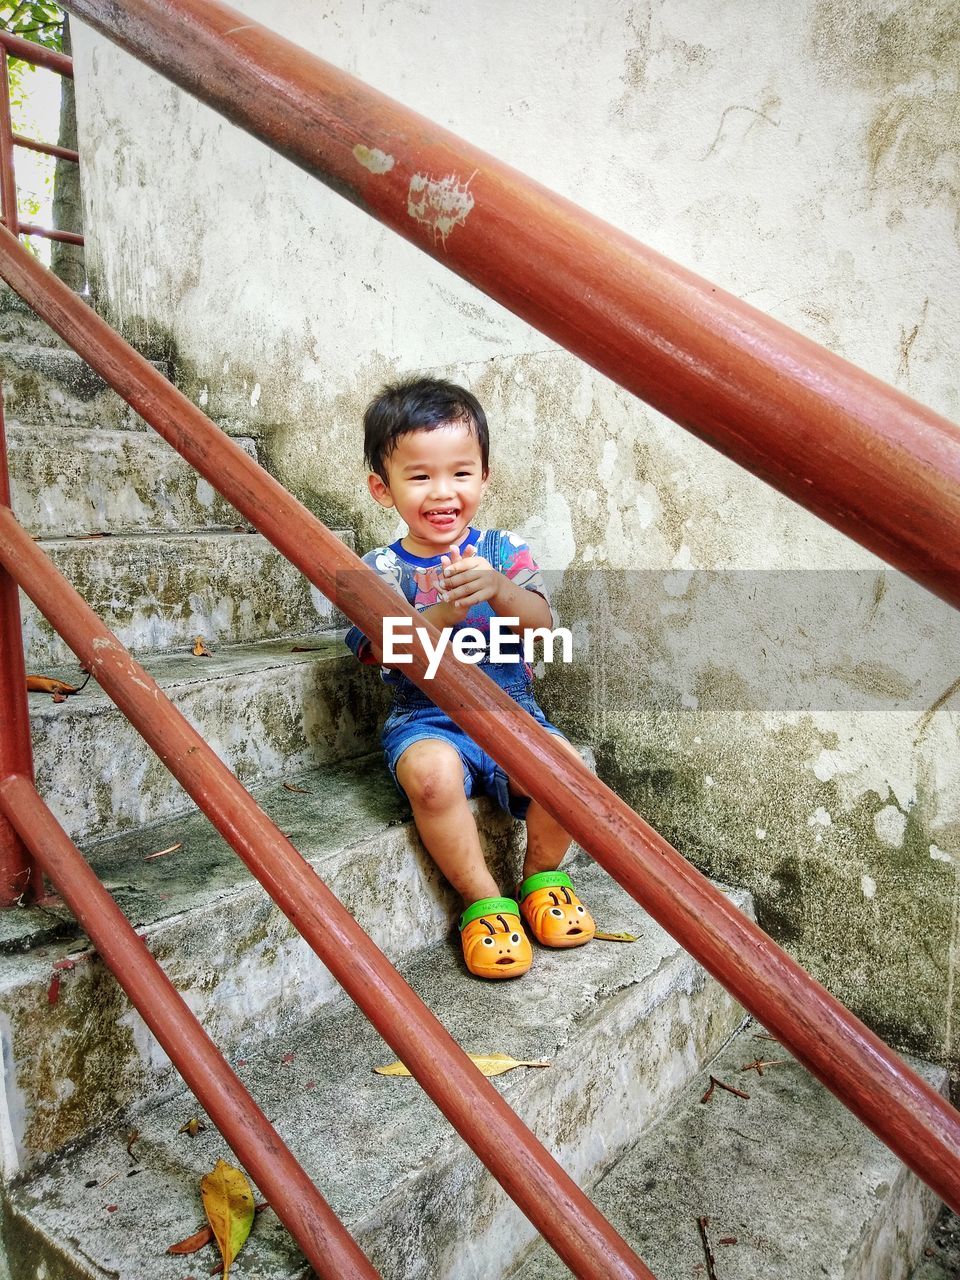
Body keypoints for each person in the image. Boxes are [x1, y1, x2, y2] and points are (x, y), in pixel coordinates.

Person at [344, 376, 595, 980]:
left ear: (484, 477)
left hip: (511, 708)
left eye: (460, 472)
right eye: (420, 475)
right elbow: (379, 653)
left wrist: (502, 591)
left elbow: (541, 623)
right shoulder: (375, 571)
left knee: (568, 769)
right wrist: (439, 616)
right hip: (427, 717)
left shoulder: (505, 550)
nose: (443, 492)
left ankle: (542, 879)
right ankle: (483, 901)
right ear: (383, 488)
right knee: (432, 781)